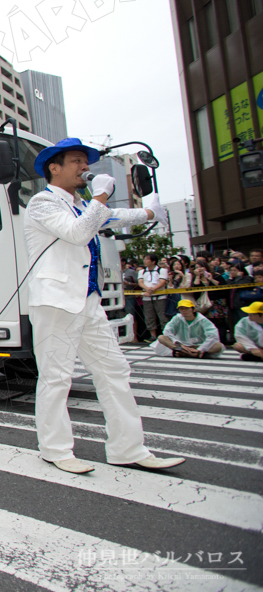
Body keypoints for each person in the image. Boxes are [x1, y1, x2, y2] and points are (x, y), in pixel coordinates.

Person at [24, 137, 184, 474]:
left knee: (114, 371)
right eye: (77, 161)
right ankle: (54, 448)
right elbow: (79, 233)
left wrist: (152, 211)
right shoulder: (42, 202)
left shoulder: (84, 204)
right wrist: (100, 196)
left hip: (89, 301)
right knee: (56, 377)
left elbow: (116, 216)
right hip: (56, 303)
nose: (86, 168)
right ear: (54, 167)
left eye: (87, 162)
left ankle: (128, 447)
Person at [152, 299, 224, 358]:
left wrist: (200, 349)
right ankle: (191, 353)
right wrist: (179, 344)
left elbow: (213, 335)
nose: (184, 311)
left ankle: (188, 353)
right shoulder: (177, 318)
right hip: (182, 345)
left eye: (187, 308)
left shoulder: (202, 320)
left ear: (193, 309)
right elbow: (167, 331)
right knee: (161, 337)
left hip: (199, 345)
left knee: (218, 346)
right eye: (181, 309)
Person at [137, 252, 169, 341]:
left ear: (153, 261)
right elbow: (140, 282)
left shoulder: (161, 270)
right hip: (147, 296)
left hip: (160, 296)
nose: (145, 261)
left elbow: (162, 282)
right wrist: (147, 289)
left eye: (147, 259)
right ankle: (153, 336)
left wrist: (152, 289)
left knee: (162, 315)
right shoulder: (142, 271)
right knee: (149, 316)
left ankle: (165, 335)